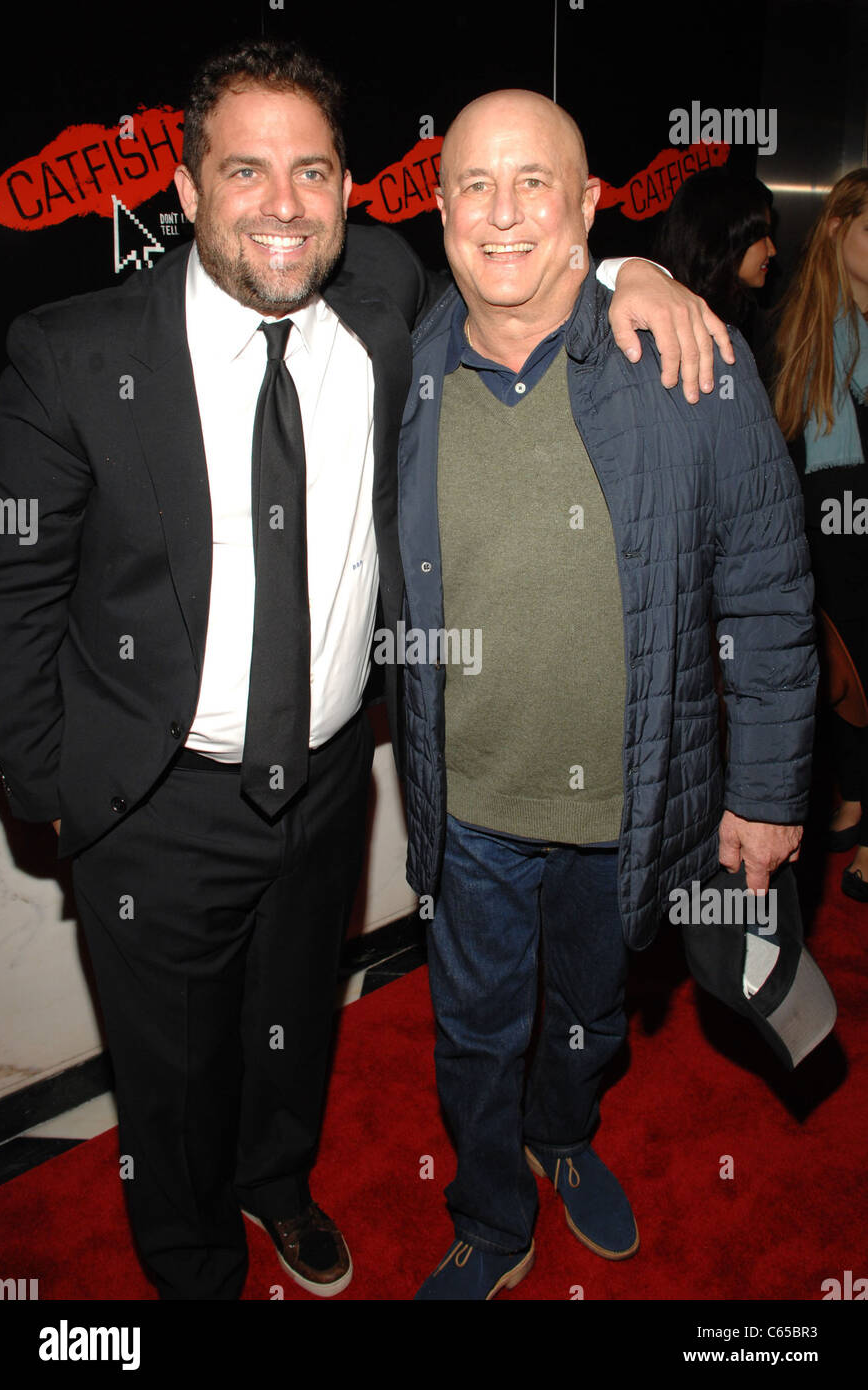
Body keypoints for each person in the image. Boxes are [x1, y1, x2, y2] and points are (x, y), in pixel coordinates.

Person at [0, 39, 731, 1301]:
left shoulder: (383, 289)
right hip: (157, 803)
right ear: (183, 190)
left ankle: (279, 1187)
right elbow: (11, 595)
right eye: (245, 171)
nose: (282, 204)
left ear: (350, 191)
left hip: (330, 783)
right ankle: (193, 1258)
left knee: (297, 1025)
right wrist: (47, 783)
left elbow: (524, 258)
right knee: (169, 1075)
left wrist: (630, 267)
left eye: (313, 171)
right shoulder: (74, 355)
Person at [396, 89, 817, 1300]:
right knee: (473, 1032)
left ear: (589, 205)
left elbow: (773, 591)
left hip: (627, 810)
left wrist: (768, 789)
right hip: (468, 804)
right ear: (440, 211)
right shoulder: (406, 366)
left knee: (591, 1016)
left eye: (537, 182)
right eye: (475, 183)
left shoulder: (692, 360)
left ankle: (565, 1138)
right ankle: (491, 1216)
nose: (504, 211)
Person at [774, 168, 868, 904]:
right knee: (837, 666)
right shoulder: (801, 321)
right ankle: (854, 793)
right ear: (836, 231)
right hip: (819, 513)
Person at [653, 167, 776, 377]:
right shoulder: (675, 324)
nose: (772, 250)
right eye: (761, 235)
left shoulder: (736, 317)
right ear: (724, 237)